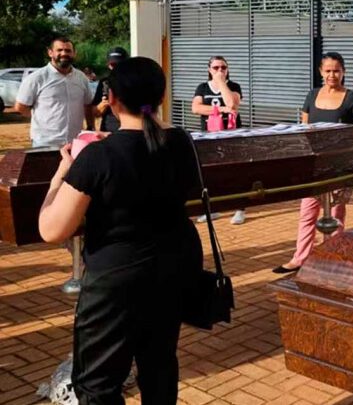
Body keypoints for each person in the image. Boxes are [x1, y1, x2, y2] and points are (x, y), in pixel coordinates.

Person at [38, 57, 201, 404]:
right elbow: (150, 142)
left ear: (111, 98)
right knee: (158, 366)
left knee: (98, 384)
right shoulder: (182, 144)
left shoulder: (98, 156)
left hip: (116, 283)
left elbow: (52, 230)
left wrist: (60, 176)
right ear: (161, 97)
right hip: (171, 271)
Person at [273, 52, 353, 274]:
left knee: (336, 214)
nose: (332, 75)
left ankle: (333, 255)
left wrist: (342, 142)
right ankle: (300, 258)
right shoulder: (312, 95)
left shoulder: (352, 98)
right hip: (314, 166)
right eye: (328, 71)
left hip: (339, 165)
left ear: (343, 72)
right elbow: (304, 127)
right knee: (307, 212)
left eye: (336, 71)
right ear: (320, 72)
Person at [191, 56, 246, 225]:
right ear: (209, 70)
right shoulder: (202, 87)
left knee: (234, 171)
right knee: (211, 173)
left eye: (223, 67)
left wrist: (221, 82)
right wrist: (221, 109)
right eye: (215, 68)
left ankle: (239, 208)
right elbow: (196, 108)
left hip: (231, 135)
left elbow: (232, 104)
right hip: (209, 135)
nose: (220, 70)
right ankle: (213, 207)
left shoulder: (234, 86)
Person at [14, 37, 94, 147]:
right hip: (45, 142)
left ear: (74, 53)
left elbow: (88, 105)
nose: (64, 54)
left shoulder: (81, 78)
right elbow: (20, 107)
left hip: (75, 142)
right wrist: (43, 120)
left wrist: (90, 127)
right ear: (50, 53)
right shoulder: (37, 78)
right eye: (59, 50)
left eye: (68, 51)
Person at [92, 47, 129, 133]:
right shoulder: (105, 82)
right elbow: (95, 113)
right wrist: (103, 104)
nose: (116, 68)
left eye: (120, 64)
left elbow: (148, 108)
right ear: (108, 65)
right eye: (113, 65)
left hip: (130, 129)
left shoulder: (134, 81)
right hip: (108, 130)